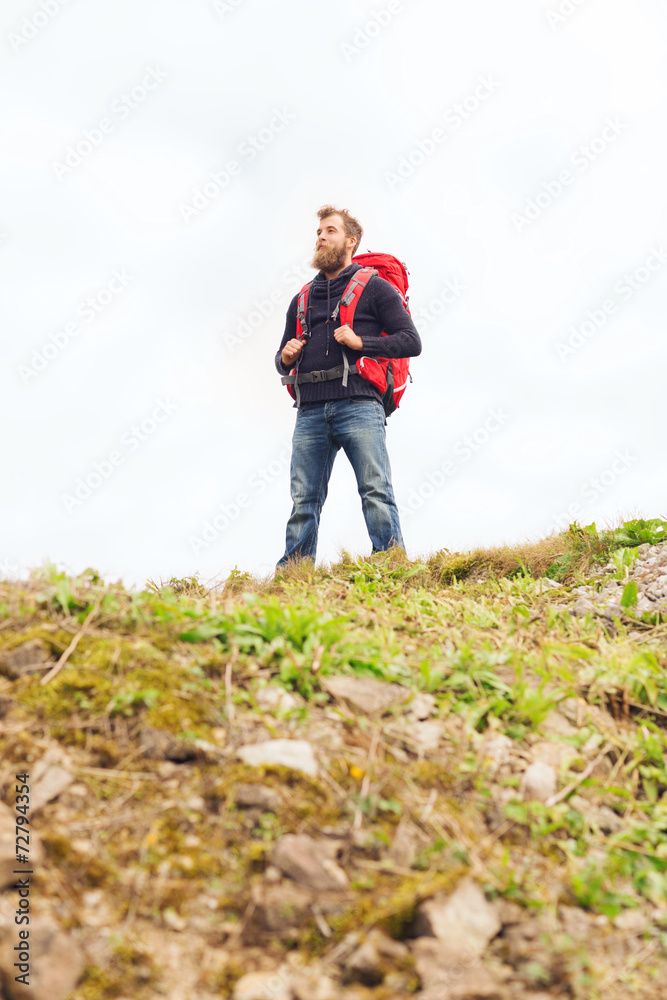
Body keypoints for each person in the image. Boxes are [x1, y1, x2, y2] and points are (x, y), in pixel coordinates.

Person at [274, 205, 422, 570]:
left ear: (350, 241)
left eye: (330, 231)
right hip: (309, 411)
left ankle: (390, 565)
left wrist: (361, 344)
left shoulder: (376, 288)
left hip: (358, 404)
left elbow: (410, 341)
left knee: (375, 490)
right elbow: (280, 359)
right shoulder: (302, 298)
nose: (321, 238)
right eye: (319, 233)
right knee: (303, 500)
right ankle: (294, 574)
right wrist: (287, 357)